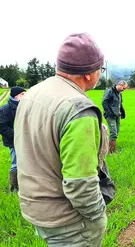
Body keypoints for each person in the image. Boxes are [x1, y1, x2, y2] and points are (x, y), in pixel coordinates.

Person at [14, 33, 107, 246]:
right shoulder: (78, 109)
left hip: (36, 208)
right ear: (88, 74)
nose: (99, 75)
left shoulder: (33, 94)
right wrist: (98, 214)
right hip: (69, 221)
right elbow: (80, 183)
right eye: (100, 70)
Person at [0, 86, 26, 192]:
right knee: (16, 163)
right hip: (13, 141)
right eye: (22, 94)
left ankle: (24, 185)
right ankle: (14, 188)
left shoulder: (23, 106)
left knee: (25, 162)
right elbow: (2, 126)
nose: (25, 96)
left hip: (24, 139)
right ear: (16, 96)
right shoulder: (5, 108)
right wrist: (16, 135)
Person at [102, 80, 128, 153]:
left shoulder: (119, 94)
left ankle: (111, 149)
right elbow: (104, 102)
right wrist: (109, 113)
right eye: (124, 88)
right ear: (120, 85)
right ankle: (111, 151)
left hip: (117, 115)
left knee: (116, 132)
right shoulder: (109, 91)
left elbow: (120, 104)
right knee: (113, 133)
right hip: (110, 115)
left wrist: (123, 112)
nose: (124, 90)